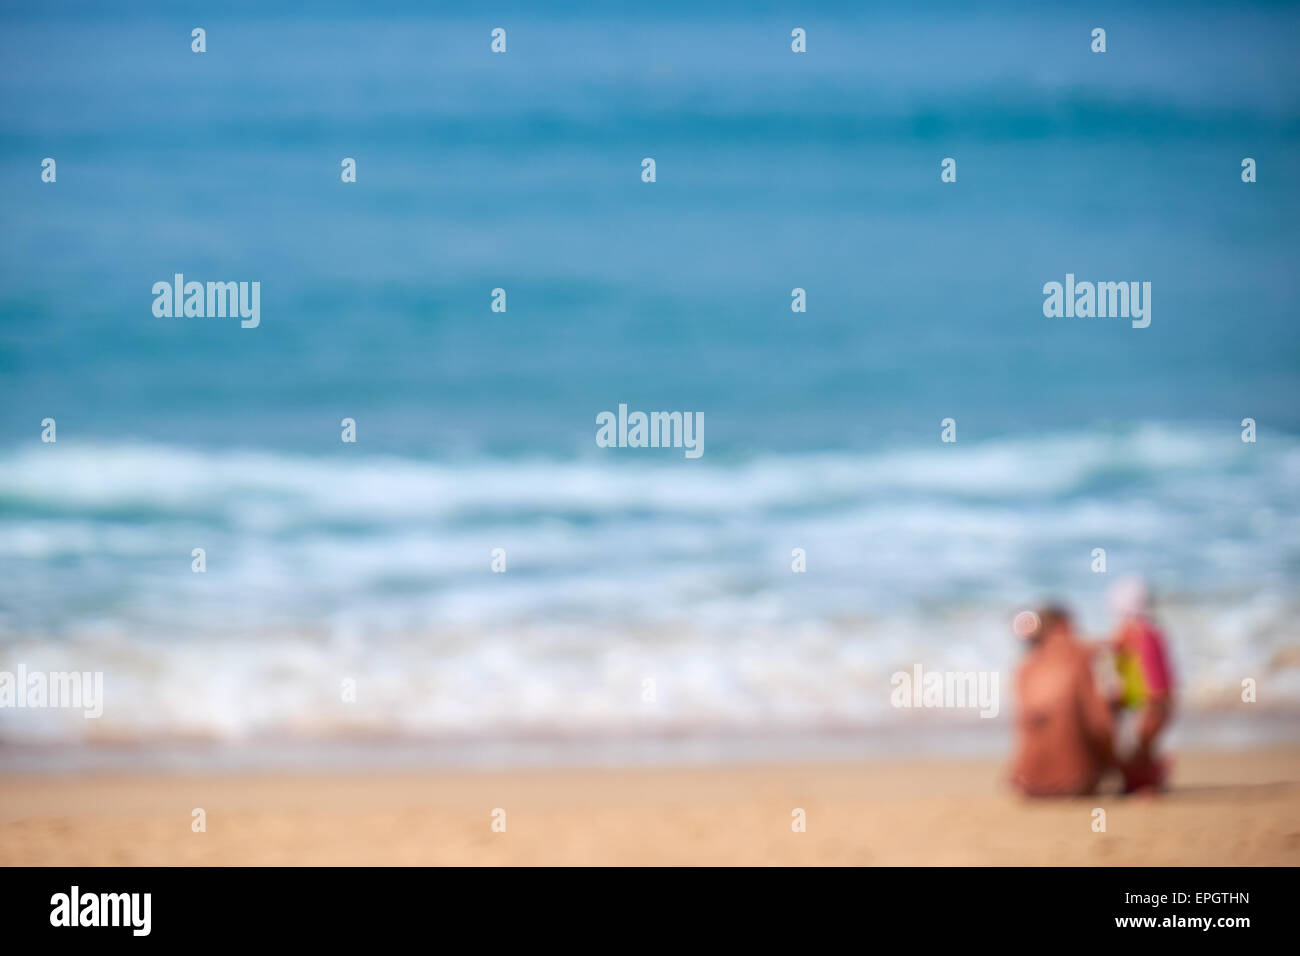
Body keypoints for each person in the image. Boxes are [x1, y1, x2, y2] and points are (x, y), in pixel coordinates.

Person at [1010, 605, 1117, 796]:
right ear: (1064, 624)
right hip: (1077, 782)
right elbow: (1100, 723)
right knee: (1111, 702)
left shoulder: (1025, 669)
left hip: (1028, 783)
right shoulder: (1084, 655)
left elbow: (1024, 726)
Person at [1108, 577, 1174, 793]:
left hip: (1150, 702)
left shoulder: (1135, 632)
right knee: (1141, 748)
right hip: (1153, 700)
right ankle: (1148, 778)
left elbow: (1150, 670)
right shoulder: (1151, 631)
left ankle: (1145, 783)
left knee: (1140, 747)